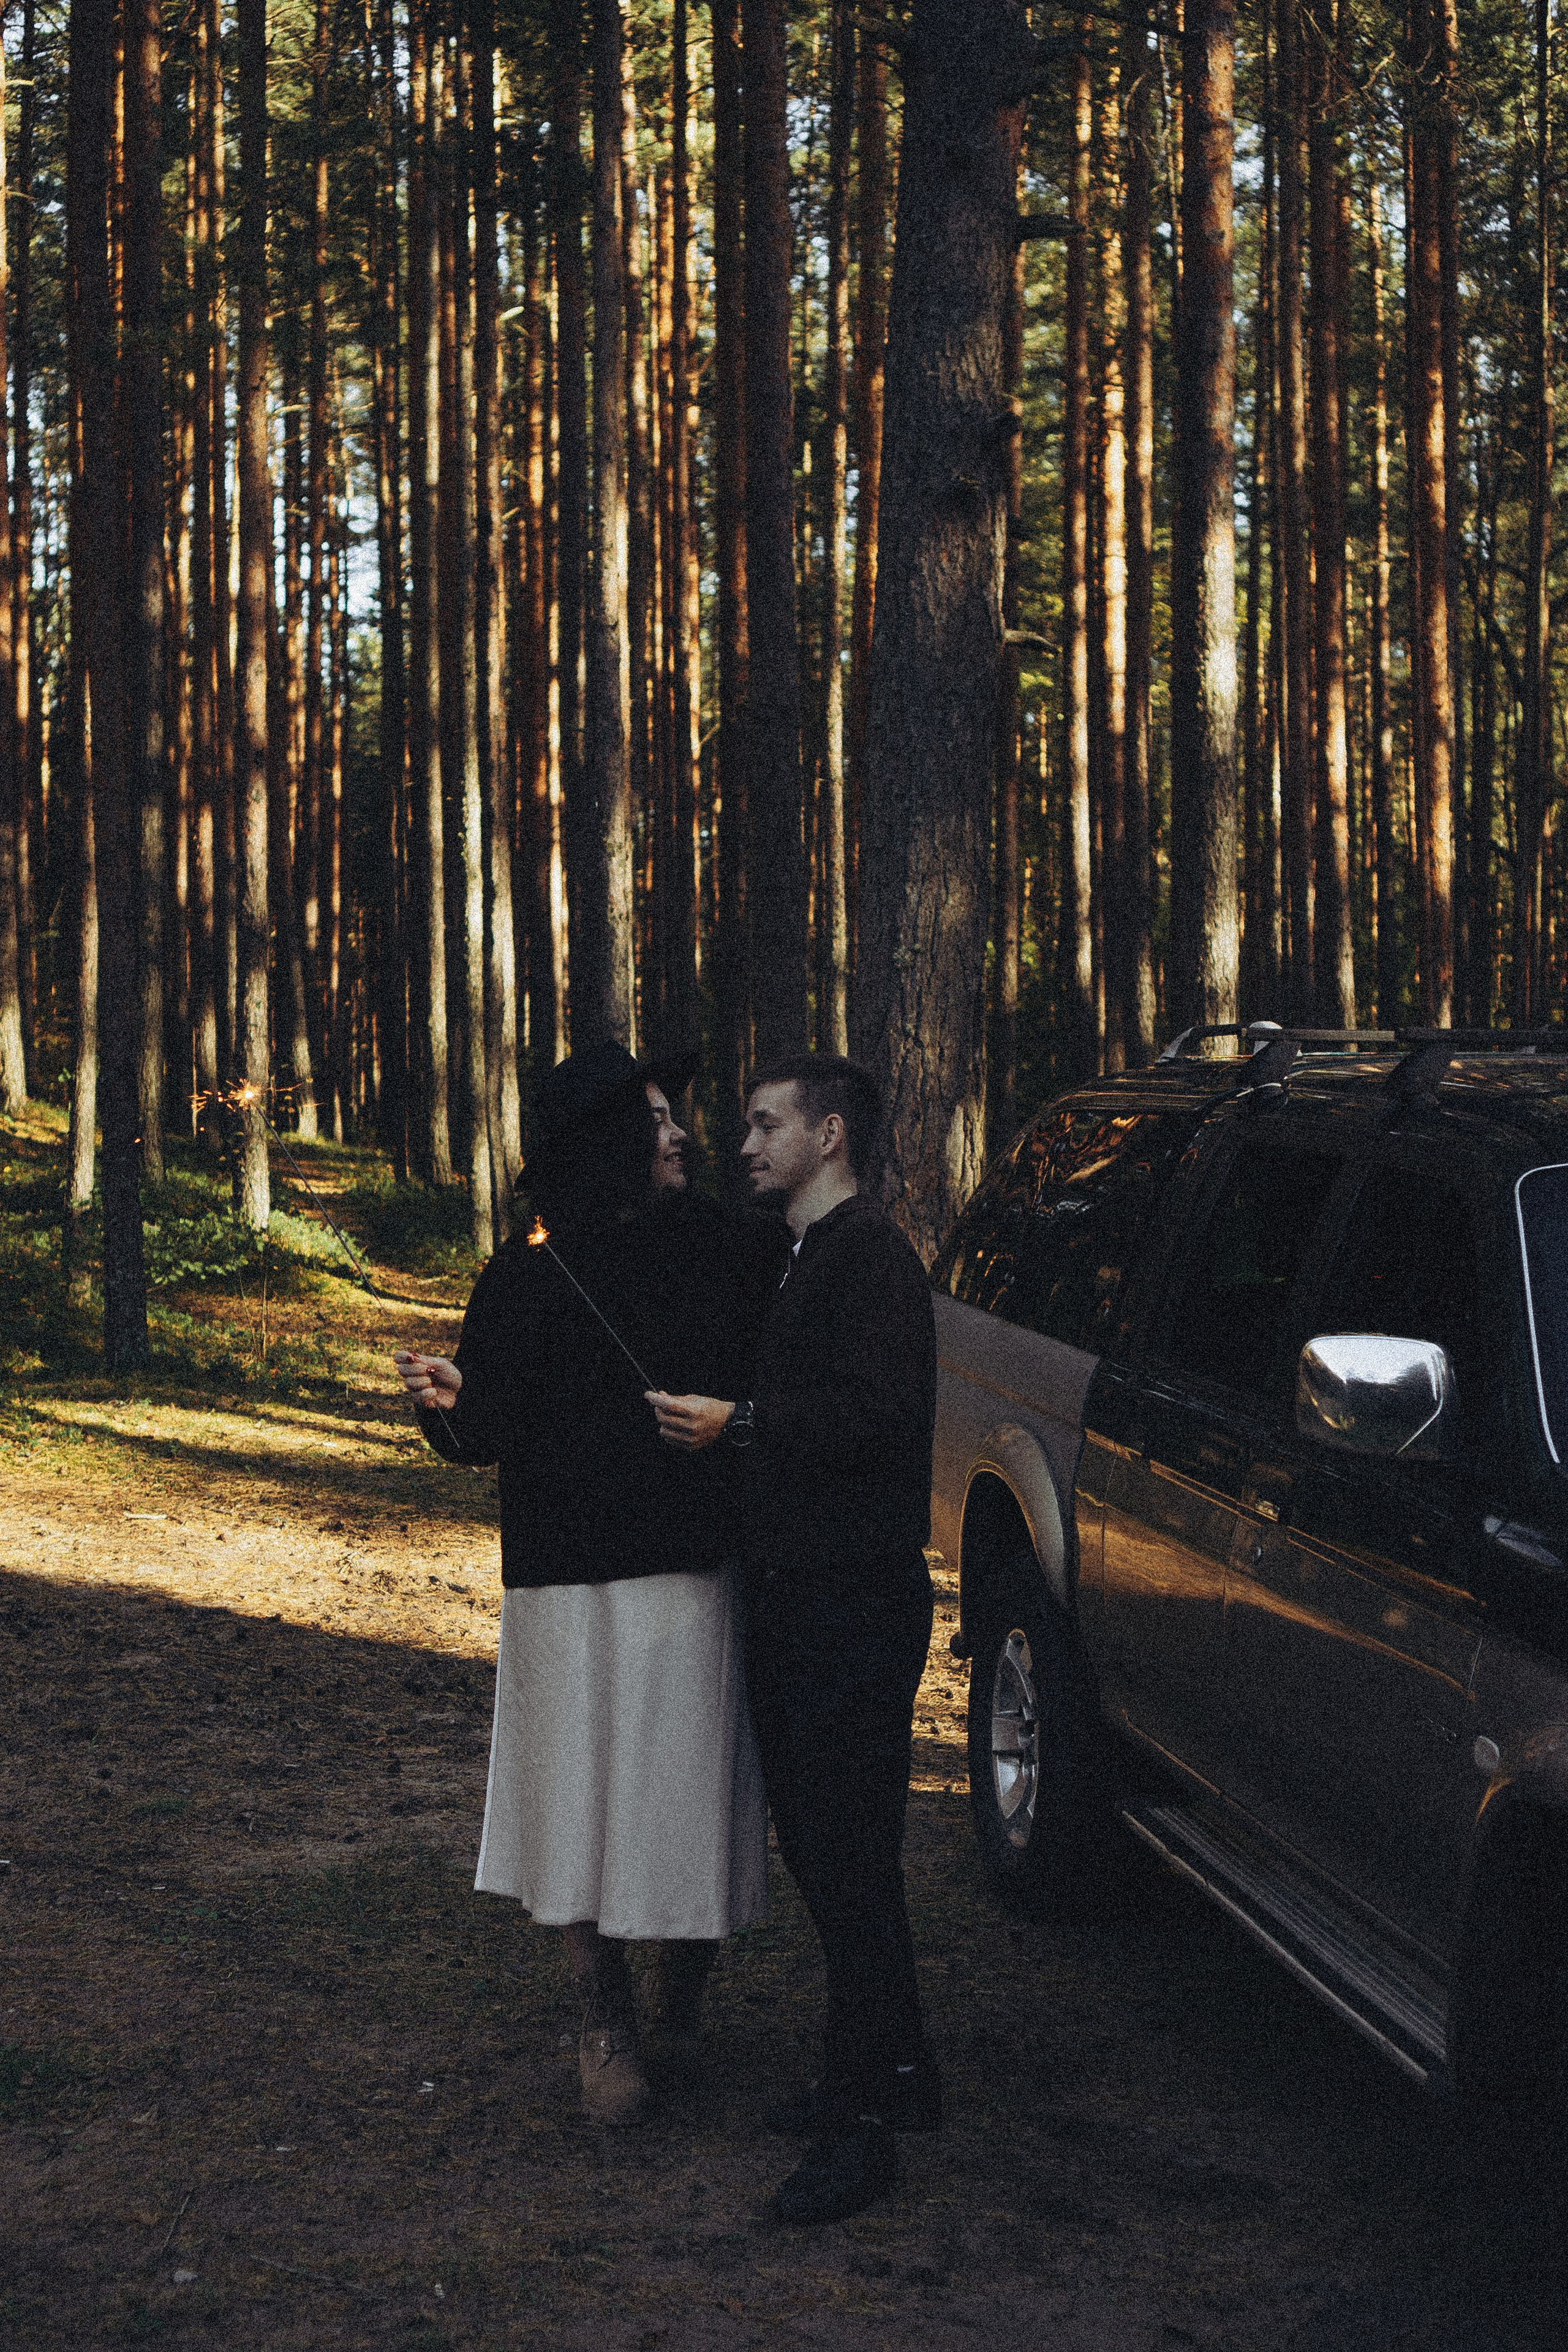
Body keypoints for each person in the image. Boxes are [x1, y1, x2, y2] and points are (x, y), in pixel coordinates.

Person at [394, 1039, 777, 2127]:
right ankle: (601, 2013)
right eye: (654, 1119)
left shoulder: (730, 1252)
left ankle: (683, 2002)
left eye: (675, 1117)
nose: (680, 1135)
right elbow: (485, 1432)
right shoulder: (521, 1275)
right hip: (562, 1577)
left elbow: (767, 1401)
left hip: (688, 1571)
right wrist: (445, 1399)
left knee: (684, 1789)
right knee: (577, 1797)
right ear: (604, 1140)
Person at [650, 1055, 939, 2225]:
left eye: (767, 1124)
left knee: (845, 1860)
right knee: (840, 1855)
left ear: (830, 1133)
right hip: (810, 1595)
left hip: (852, 1604)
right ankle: (903, 2075)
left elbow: (881, 1413)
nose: (746, 1143)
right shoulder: (805, 1255)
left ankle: (859, 2124)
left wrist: (744, 1423)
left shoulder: (870, 1256)